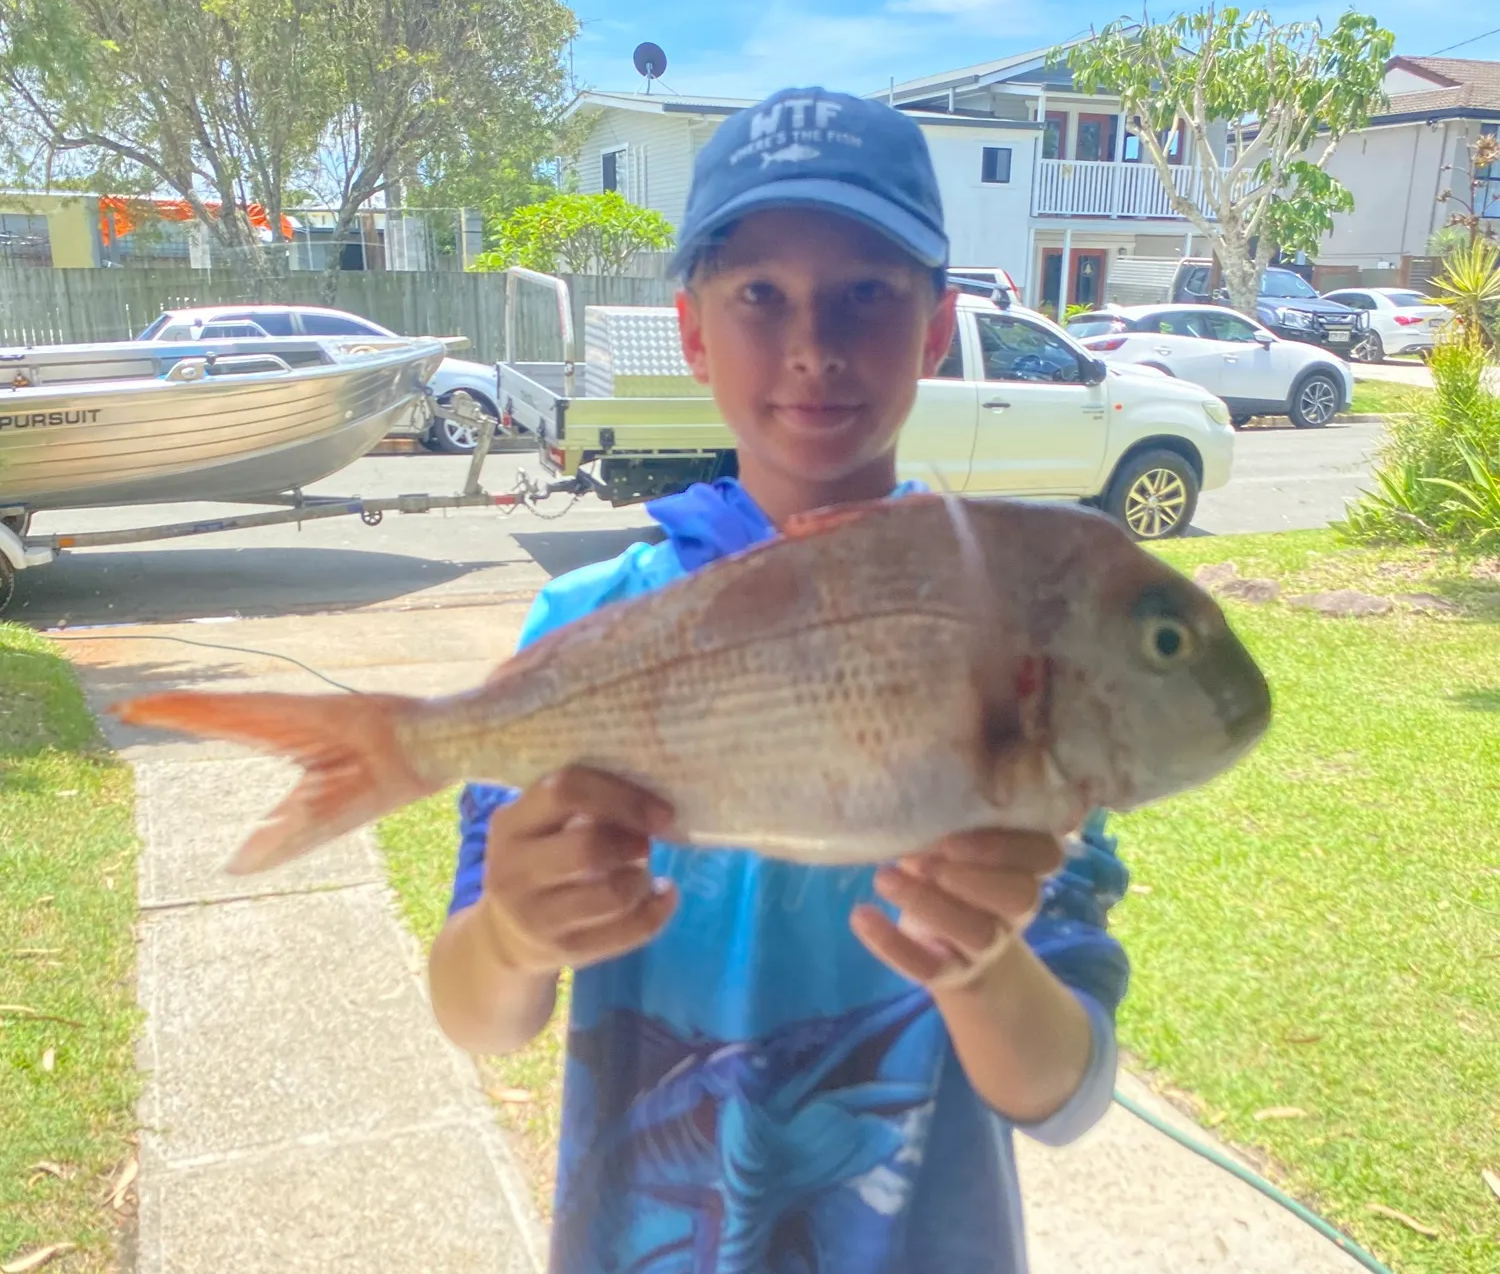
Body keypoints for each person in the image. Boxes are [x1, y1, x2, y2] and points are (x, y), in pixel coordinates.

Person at [427, 86, 1131, 1274]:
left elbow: (1062, 1091)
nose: (814, 342)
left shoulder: (1016, 638)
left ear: (934, 327)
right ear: (693, 332)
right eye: (761, 295)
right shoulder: (584, 629)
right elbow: (477, 1015)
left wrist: (983, 960)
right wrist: (509, 935)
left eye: (868, 290)